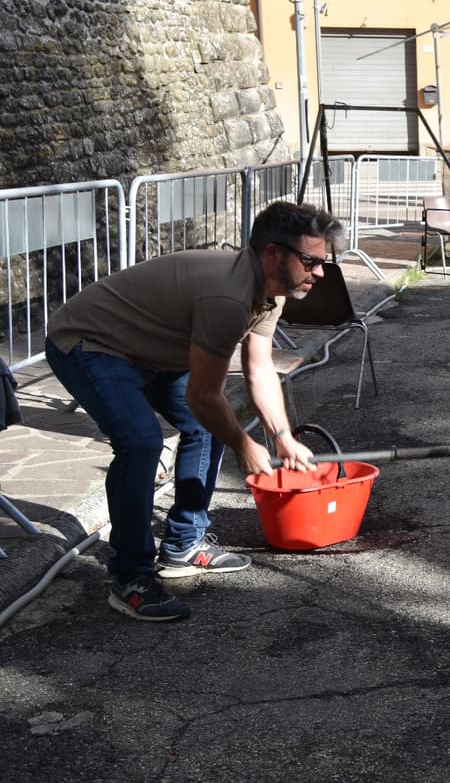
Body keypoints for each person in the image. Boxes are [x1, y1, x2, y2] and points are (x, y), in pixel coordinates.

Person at [44, 201, 333, 622]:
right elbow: (203, 395)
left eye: (324, 261)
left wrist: (282, 437)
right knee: (141, 443)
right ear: (273, 253)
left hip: (154, 350)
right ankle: (131, 578)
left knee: (209, 425)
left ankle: (183, 544)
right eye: (311, 260)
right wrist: (243, 443)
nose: (320, 272)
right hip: (92, 343)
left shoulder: (273, 294)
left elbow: (259, 368)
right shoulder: (227, 298)